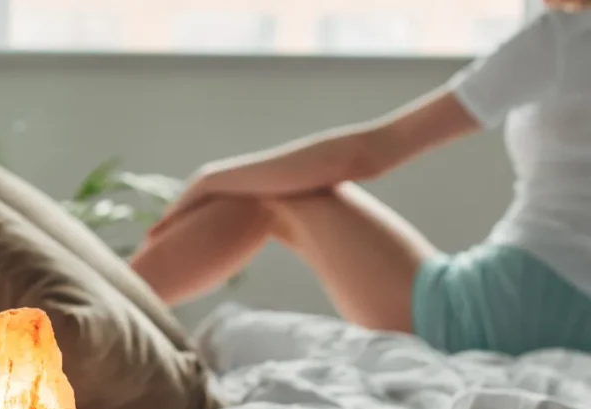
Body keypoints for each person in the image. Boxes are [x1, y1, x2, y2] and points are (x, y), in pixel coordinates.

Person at [130, 1, 591, 356]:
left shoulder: (564, 40)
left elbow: (366, 152)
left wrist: (211, 178)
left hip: (510, 311)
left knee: (282, 198)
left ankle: (88, 324)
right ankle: (93, 319)